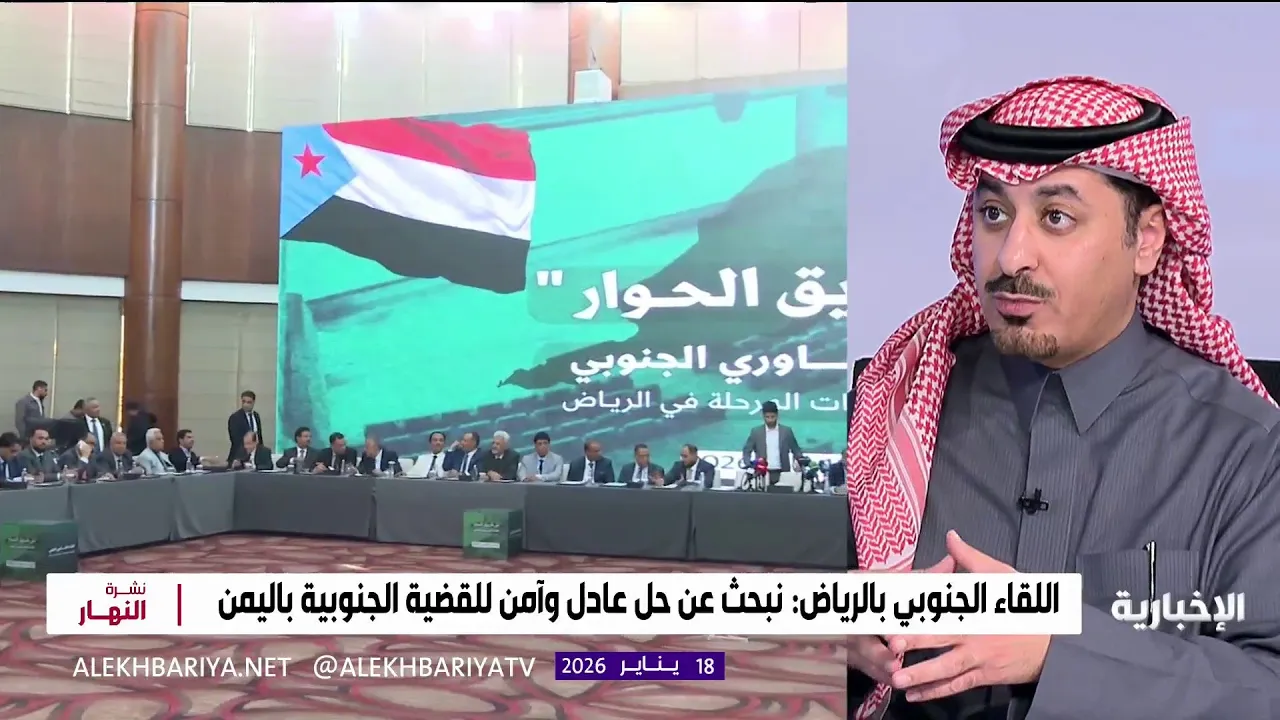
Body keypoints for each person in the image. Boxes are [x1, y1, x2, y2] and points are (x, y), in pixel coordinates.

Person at [846, 76, 1280, 719]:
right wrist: (836, 630)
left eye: (1056, 217)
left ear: (1148, 240)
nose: (1011, 257)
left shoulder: (1245, 447)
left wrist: (1061, 651)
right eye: (994, 214)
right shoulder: (894, 408)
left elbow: (1268, 684)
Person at [740, 399, 803, 485]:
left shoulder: (786, 431)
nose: (770, 420)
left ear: (777, 415)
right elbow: (747, 450)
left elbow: (796, 449)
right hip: (761, 472)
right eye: (767, 417)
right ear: (763, 416)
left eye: (772, 417)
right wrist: (749, 464)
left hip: (783, 472)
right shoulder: (756, 432)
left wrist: (800, 461)